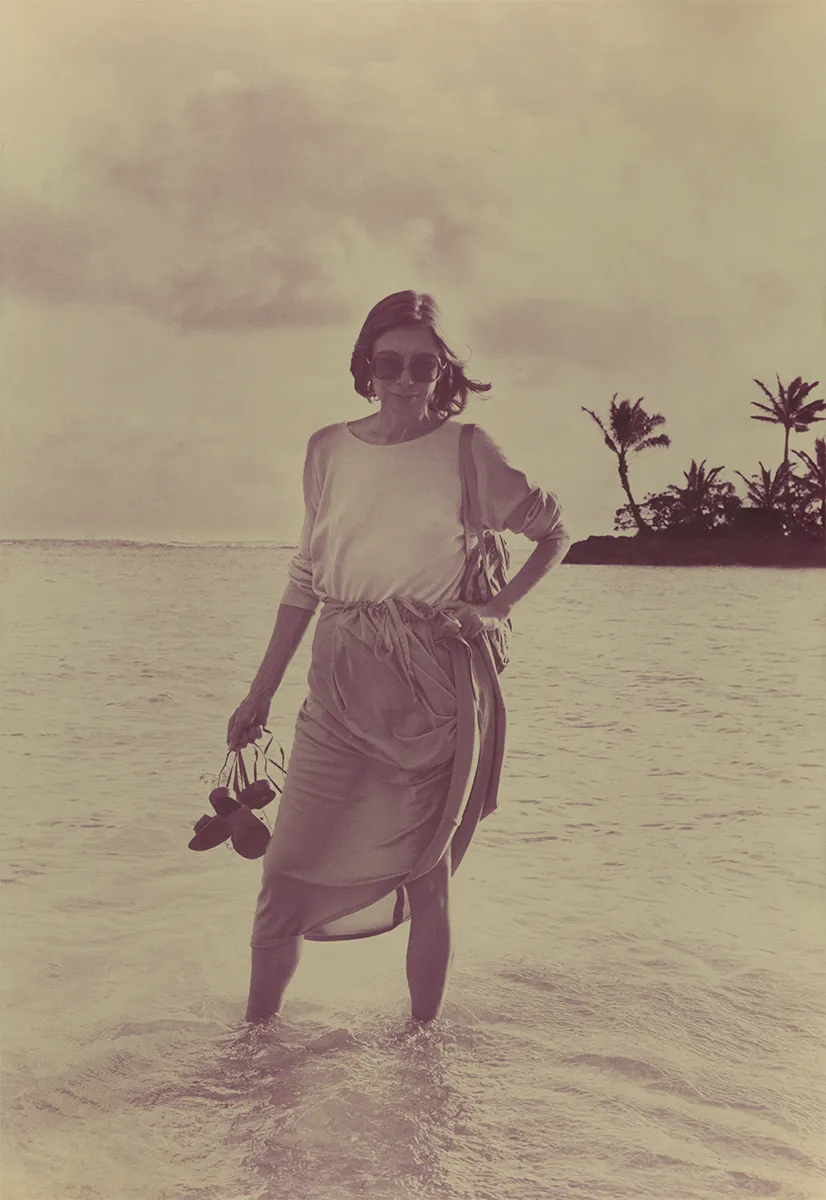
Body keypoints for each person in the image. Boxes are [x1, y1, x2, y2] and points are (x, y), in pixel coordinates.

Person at [226, 290, 570, 1025]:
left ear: (444, 371)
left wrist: (497, 606)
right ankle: (253, 1048)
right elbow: (306, 577)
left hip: (432, 686)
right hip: (338, 681)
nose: (407, 379)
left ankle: (423, 1051)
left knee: (427, 872)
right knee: (284, 872)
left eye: (423, 365)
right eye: (391, 363)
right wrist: (259, 693)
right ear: (366, 366)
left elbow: (555, 533)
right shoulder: (327, 449)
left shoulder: (468, 449)